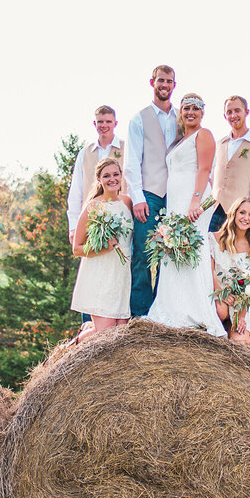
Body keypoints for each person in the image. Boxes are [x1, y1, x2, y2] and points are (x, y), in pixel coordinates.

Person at [146, 93, 225, 335]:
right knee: (174, 251)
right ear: (181, 113)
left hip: (194, 201)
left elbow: (203, 169)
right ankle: (171, 311)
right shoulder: (181, 140)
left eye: (195, 108)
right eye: (186, 108)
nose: (190, 112)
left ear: (202, 112)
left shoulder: (204, 135)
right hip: (176, 203)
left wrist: (195, 201)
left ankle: (196, 311)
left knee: (192, 251)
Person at [126, 65, 178, 317]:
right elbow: (131, 163)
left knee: (172, 256)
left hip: (176, 197)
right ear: (152, 82)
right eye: (160, 80)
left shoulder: (182, 118)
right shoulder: (139, 118)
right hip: (148, 195)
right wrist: (137, 197)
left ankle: (163, 311)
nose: (164, 85)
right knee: (143, 256)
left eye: (169, 81)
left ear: (174, 85)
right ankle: (140, 313)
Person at [69, 157, 133, 340]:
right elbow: (77, 249)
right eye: (106, 176)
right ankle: (70, 350)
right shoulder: (93, 207)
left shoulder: (127, 202)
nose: (112, 179)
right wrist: (103, 248)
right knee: (104, 334)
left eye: (115, 174)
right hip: (100, 277)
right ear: (99, 180)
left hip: (121, 278)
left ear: (121, 176)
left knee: (119, 335)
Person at [210, 197, 250, 345]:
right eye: (242, 212)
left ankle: (245, 335)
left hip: (242, 302)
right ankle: (224, 325)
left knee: (239, 342)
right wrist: (220, 293)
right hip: (219, 294)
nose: (246, 218)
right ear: (234, 213)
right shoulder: (214, 239)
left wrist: (241, 316)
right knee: (221, 312)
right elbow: (210, 270)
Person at [209, 95, 250, 233]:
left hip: (240, 216)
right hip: (213, 212)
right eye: (229, 112)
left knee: (235, 254)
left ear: (246, 112)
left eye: (237, 111)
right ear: (225, 116)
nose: (233, 115)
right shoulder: (219, 144)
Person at [67, 105, 125, 243]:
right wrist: (74, 227)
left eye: (108, 122)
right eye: (100, 122)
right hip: (91, 219)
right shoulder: (85, 153)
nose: (104, 125)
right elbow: (76, 191)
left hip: (121, 217)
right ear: (95, 124)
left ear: (115, 124)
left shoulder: (126, 148)